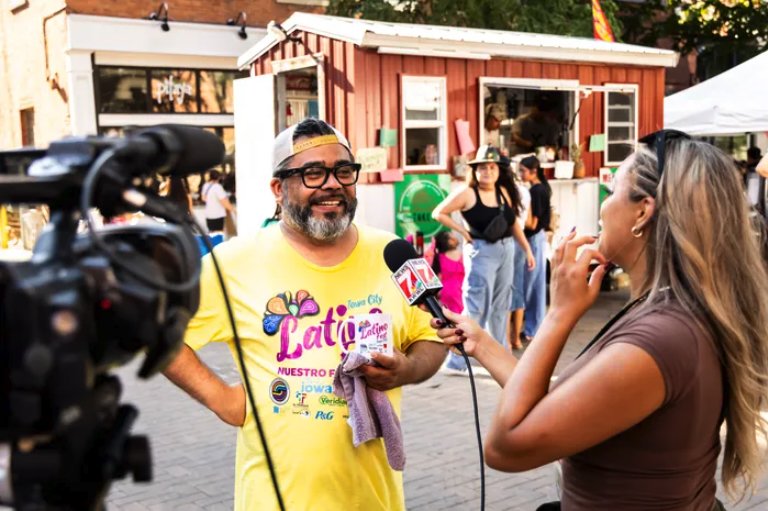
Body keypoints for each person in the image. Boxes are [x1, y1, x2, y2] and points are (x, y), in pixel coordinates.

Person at [429, 132, 768, 510]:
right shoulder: (672, 317)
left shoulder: (662, 338)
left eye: (611, 192)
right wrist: (484, 345)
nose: (603, 208)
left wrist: (559, 315)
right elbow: (563, 404)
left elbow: (506, 447)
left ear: (643, 211)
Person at [163, 118, 447, 511]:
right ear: (278, 189)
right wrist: (222, 399)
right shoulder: (231, 263)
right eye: (312, 173)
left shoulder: (394, 254)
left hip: (374, 499)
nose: (332, 184)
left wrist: (407, 370)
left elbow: (433, 336)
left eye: (343, 171)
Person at [432, 145, 534, 374]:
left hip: (506, 250)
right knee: (476, 306)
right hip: (482, 253)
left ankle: (497, 356)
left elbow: (512, 223)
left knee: (501, 305)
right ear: (475, 171)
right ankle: (457, 362)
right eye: (483, 167)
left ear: (498, 170)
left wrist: (526, 249)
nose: (488, 171)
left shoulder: (503, 192)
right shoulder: (467, 193)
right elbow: (438, 212)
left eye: (492, 167)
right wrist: (463, 232)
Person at [500, 156, 531, 351]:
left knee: (503, 290)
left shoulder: (500, 192)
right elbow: (526, 220)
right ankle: (516, 339)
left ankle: (503, 340)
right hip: (521, 241)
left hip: (505, 240)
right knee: (517, 288)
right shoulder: (524, 192)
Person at [519, 156, 551, 343]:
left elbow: (532, 224)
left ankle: (531, 328)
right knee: (537, 286)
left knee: (530, 286)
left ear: (534, 171)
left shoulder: (536, 191)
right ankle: (534, 328)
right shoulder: (541, 188)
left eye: (523, 170)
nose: (520, 174)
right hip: (538, 239)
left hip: (533, 239)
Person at [430, 230, 465, 315]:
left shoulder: (438, 258)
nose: (455, 238)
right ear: (449, 241)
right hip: (462, 291)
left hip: (446, 293)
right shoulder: (463, 255)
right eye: (452, 237)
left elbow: (435, 277)